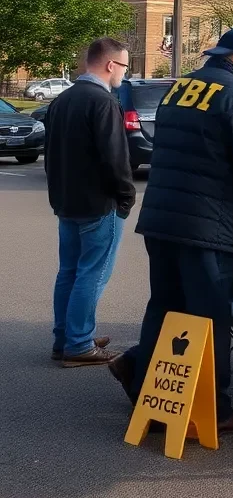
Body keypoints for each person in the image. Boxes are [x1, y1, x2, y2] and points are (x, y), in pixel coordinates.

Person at [110, 27, 233, 433]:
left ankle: (146, 384)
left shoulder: (180, 88)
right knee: (209, 317)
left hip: (163, 218)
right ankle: (214, 409)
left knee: (165, 307)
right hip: (207, 224)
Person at [46, 38, 136, 366]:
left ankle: (66, 337)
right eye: (125, 66)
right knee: (92, 274)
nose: (125, 74)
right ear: (110, 64)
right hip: (99, 203)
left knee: (69, 271)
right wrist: (126, 196)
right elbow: (115, 157)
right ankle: (79, 344)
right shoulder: (103, 101)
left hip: (67, 200)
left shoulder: (63, 100)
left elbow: (50, 157)